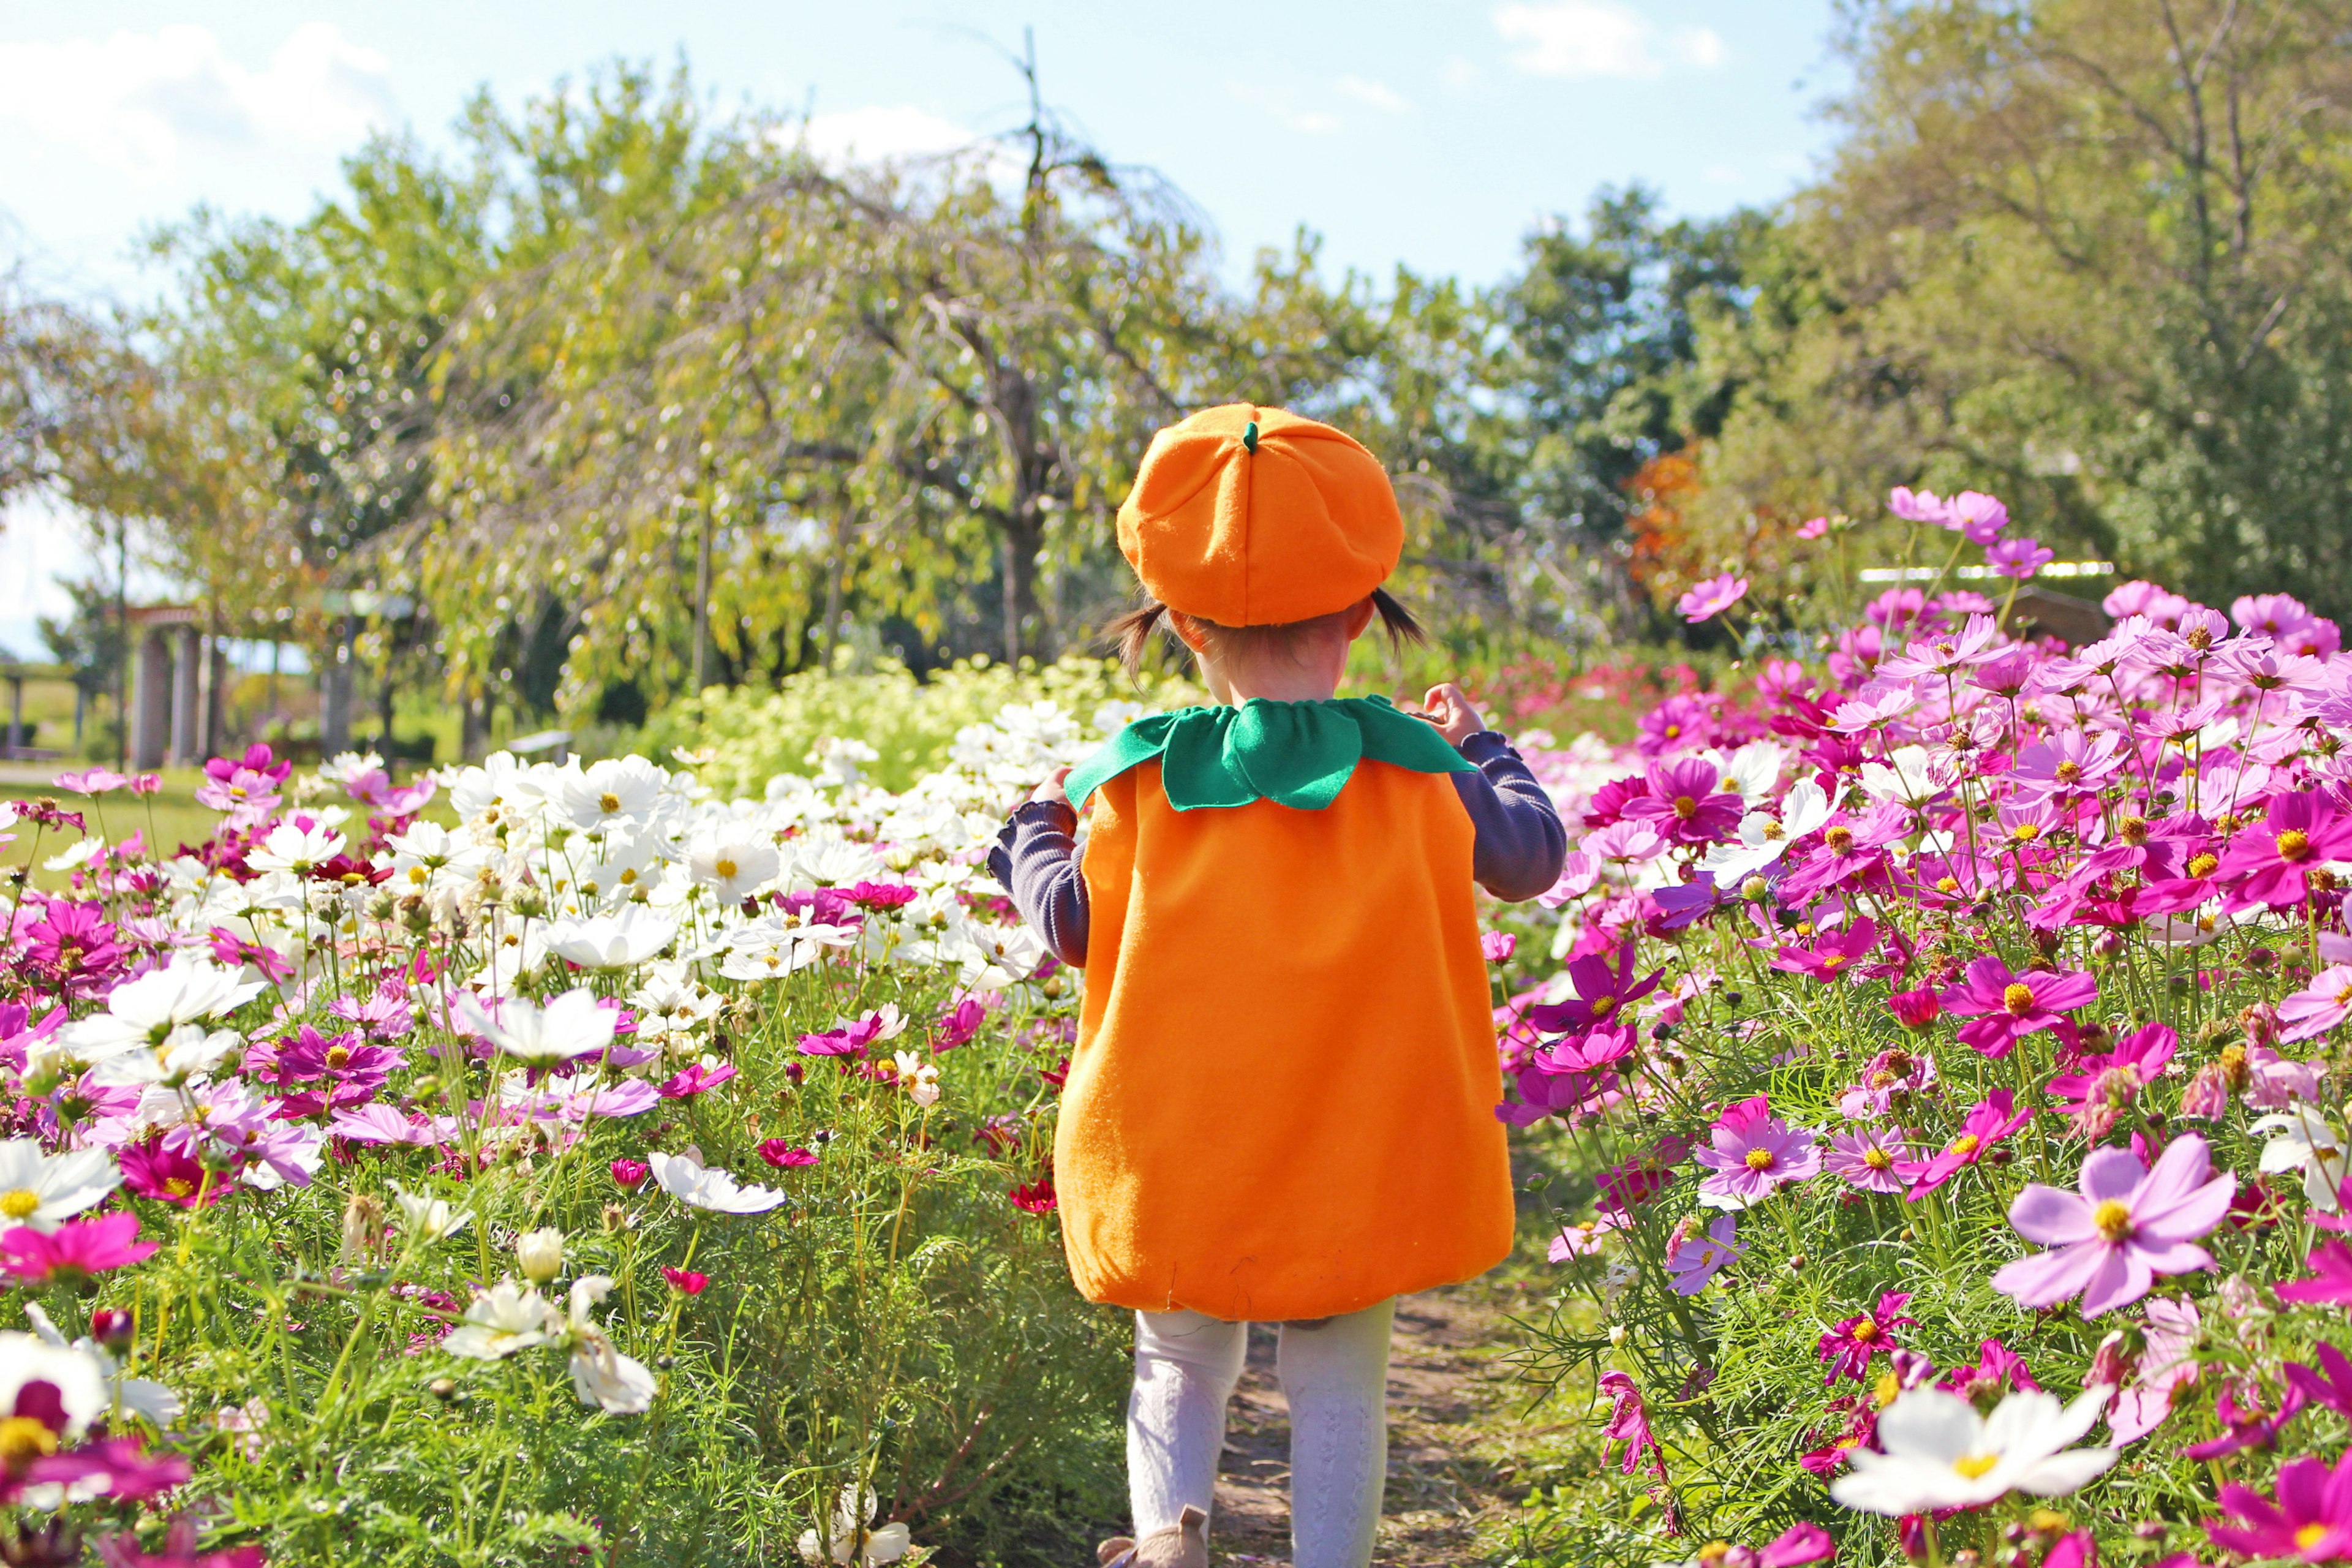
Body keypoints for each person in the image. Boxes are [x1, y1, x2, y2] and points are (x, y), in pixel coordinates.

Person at [987, 404, 1564, 1568]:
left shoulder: (1139, 778)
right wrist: (1489, 748)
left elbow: (1073, 929)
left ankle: (1167, 1546)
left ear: (1180, 621)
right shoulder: (1419, 767)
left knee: (1182, 1357)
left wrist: (1033, 828)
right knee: (1341, 1373)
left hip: (1179, 1137)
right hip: (1360, 1141)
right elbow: (1529, 860)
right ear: (1361, 611)